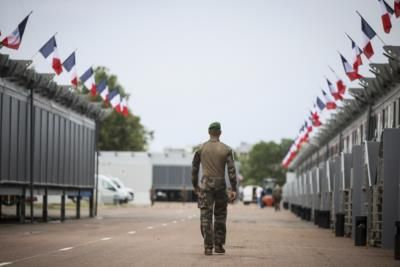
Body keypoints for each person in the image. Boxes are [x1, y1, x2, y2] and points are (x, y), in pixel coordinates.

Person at [192, 122, 237, 256]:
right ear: (220, 133)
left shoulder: (200, 149)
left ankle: (208, 247)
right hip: (221, 186)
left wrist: (195, 186)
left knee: (205, 216)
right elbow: (232, 171)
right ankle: (218, 245)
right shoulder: (227, 149)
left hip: (205, 185)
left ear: (208, 132)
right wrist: (233, 188)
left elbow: (194, 169)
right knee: (220, 215)